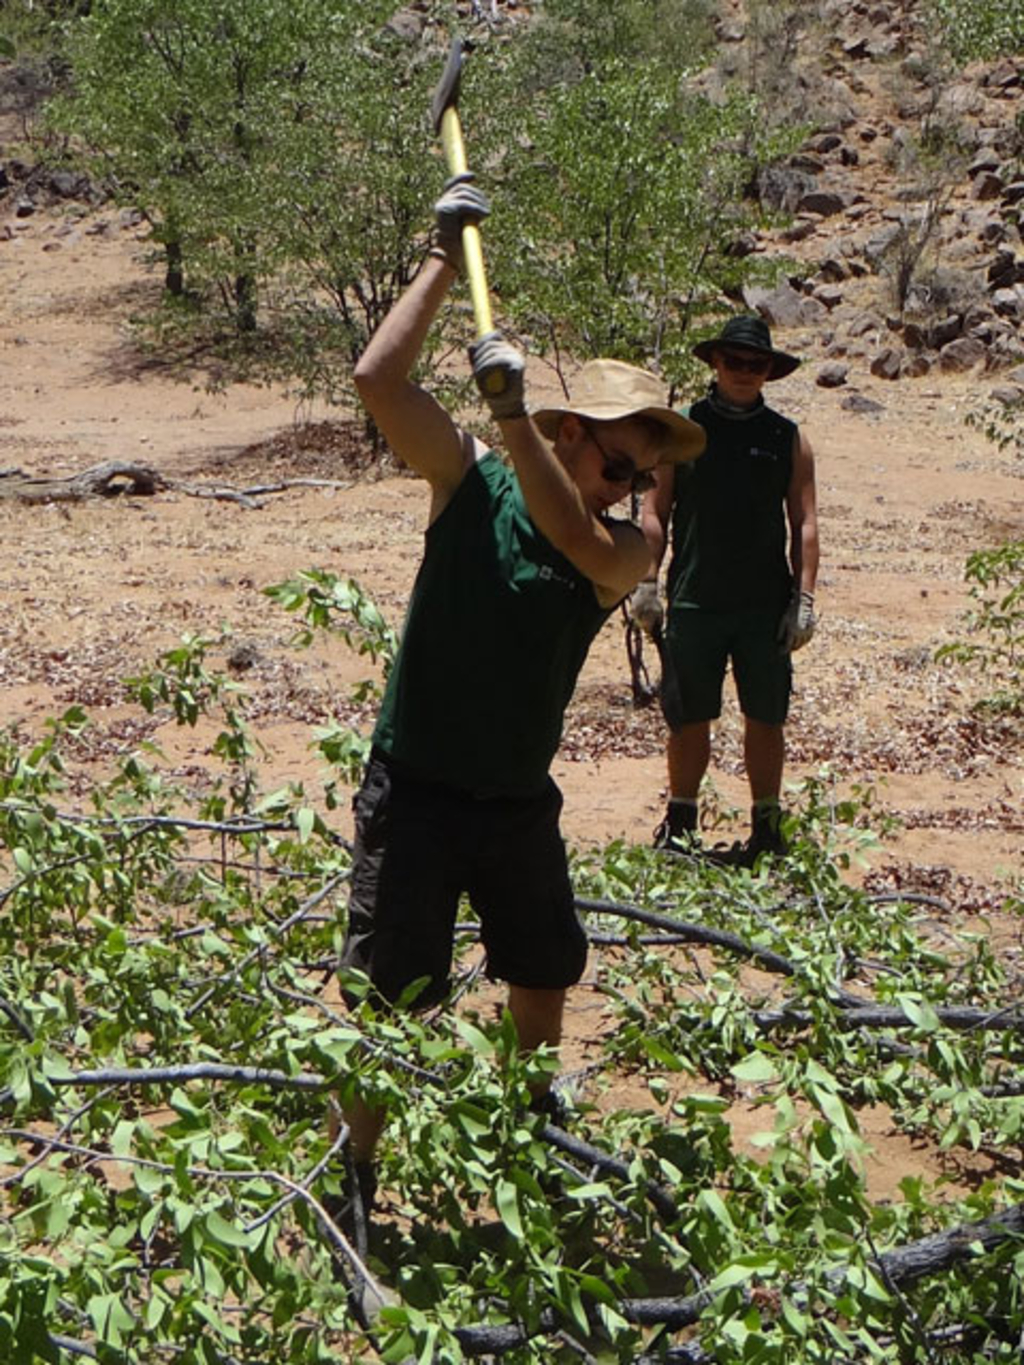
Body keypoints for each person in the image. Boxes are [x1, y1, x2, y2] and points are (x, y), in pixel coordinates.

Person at [336, 173, 705, 1217]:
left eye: (639, 473)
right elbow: (377, 379)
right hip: (414, 792)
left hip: (512, 798)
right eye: (621, 460)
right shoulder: (469, 480)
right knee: (389, 996)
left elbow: (578, 538)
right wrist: (445, 259)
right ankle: (354, 1170)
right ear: (575, 432)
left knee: (542, 967)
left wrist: (511, 424)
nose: (628, 485)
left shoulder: (627, 544)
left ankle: (523, 1119)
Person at [633, 315, 819, 864]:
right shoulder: (684, 431)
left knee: (766, 717)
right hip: (694, 599)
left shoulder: (787, 437)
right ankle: (681, 824)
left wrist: (803, 599)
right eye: (733, 361)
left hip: (764, 606)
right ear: (714, 363)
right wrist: (646, 582)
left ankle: (766, 828)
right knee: (689, 718)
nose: (743, 372)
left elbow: (804, 521)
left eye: (755, 363)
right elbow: (654, 509)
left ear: (769, 371)